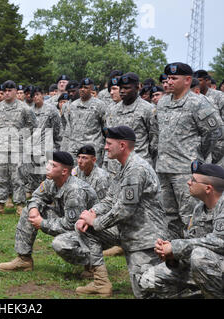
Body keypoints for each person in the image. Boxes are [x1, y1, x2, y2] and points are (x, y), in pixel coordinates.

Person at [75, 126, 169, 298]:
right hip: (128, 233)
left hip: (145, 240)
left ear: (123, 145)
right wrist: (91, 214)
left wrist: (95, 222)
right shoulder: (123, 167)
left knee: (146, 291)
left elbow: (125, 209)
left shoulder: (136, 169)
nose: (105, 147)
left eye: (109, 143)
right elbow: (110, 199)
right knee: (85, 229)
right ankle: (101, 283)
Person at [0, 151, 97, 273]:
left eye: (53, 166)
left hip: (88, 230)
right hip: (67, 219)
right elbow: (36, 197)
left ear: (64, 171)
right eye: (48, 164)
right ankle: (24, 259)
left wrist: (42, 223)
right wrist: (33, 209)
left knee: (61, 244)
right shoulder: (52, 181)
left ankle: (92, 264)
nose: (47, 168)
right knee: (28, 211)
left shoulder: (75, 191)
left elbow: (72, 225)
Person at [156, 62, 224, 239]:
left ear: (187, 80)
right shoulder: (163, 103)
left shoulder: (198, 102)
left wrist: (201, 155)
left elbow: (215, 131)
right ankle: (172, 258)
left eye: (174, 78)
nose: (169, 82)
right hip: (164, 168)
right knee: (169, 217)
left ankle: (193, 257)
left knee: (190, 217)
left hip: (187, 170)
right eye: (168, 78)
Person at [139, 161, 224, 299]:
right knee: (149, 279)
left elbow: (220, 242)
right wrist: (172, 256)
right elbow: (191, 243)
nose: (188, 183)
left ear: (208, 188)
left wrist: (176, 247)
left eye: (193, 180)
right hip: (206, 268)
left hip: (214, 265)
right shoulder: (199, 209)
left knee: (199, 256)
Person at [0, 80, 38, 216]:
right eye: (5, 91)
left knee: (18, 177)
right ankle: (0, 204)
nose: (7, 93)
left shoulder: (24, 108)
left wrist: (21, 137)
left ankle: (20, 205)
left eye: (10, 90)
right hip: (1, 147)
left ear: (15, 91)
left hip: (17, 148)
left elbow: (33, 125)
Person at [103, 72, 158, 175]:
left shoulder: (148, 109)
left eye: (127, 88)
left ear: (137, 88)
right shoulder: (113, 110)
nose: (122, 91)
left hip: (138, 165)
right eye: (121, 88)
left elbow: (154, 141)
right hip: (115, 167)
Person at [73, 144, 123, 257]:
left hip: (102, 218)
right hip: (85, 212)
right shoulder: (77, 171)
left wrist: (88, 217)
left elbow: (105, 205)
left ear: (94, 160)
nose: (80, 161)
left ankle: (115, 245)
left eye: (84, 158)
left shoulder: (101, 178)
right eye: (79, 157)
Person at [20, 86, 62, 198]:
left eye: (38, 94)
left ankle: (48, 193)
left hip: (47, 145)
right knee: (31, 172)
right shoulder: (29, 111)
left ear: (42, 95)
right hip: (32, 145)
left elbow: (57, 129)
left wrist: (57, 146)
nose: (36, 97)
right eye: (33, 95)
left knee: (46, 172)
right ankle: (34, 192)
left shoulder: (51, 110)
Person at [61, 78, 106, 167]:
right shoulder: (73, 106)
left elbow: (105, 127)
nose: (82, 89)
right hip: (75, 150)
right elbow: (68, 128)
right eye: (80, 87)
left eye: (86, 87)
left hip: (92, 149)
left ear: (91, 89)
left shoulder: (100, 105)